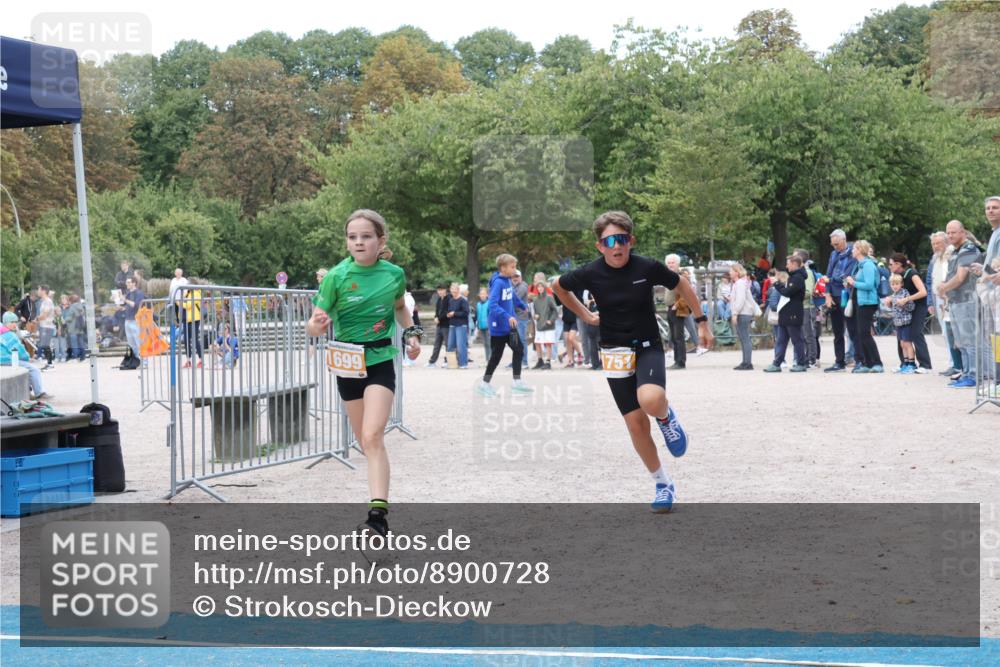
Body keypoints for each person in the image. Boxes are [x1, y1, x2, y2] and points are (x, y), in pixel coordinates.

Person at [554, 211, 713, 513]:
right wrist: (586, 315)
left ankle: (666, 418)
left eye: (622, 239)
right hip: (614, 352)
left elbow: (681, 284)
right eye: (609, 241)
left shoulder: (647, 267)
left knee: (651, 399)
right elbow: (559, 287)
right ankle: (662, 483)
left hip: (646, 346)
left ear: (631, 241)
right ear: (599, 245)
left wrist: (702, 321)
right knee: (636, 425)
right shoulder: (590, 272)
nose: (617, 246)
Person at [307, 209, 420, 538]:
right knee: (365, 443)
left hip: (381, 358)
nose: (359, 242)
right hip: (347, 363)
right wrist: (316, 324)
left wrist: (412, 334)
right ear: (347, 241)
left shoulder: (394, 274)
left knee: (373, 435)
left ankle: (377, 516)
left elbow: (400, 307)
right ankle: (377, 515)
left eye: (366, 236)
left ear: (380, 240)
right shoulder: (336, 277)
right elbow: (314, 323)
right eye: (353, 237)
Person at [476, 254, 532, 396]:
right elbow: (493, 305)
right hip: (499, 327)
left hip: (509, 326)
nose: (515, 269)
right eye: (512, 267)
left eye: (515, 266)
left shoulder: (507, 280)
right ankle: (484, 384)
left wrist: (521, 305)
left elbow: (511, 296)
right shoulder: (498, 283)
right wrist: (508, 316)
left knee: (519, 349)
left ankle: (517, 382)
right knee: (496, 356)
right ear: (503, 268)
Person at [936, 220, 981, 388]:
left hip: (967, 300)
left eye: (953, 232)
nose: (950, 235)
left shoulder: (968, 250)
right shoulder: (956, 251)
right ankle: (966, 372)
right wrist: (946, 292)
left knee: (969, 340)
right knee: (960, 341)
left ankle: (974, 375)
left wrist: (943, 288)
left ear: (963, 232)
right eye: (948, 232)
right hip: (956, 300)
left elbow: (961, 277)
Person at [843, 240, 884, 373]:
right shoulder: (860, 265)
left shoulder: (867, 265)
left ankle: (877, 363)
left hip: (868, 302)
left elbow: (869, 285)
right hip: (861, 302)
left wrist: (853, 282)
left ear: (860, 250)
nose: (852, 251)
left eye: (854, 248)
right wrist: (850, 283)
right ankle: (867, 363)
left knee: (865, 334)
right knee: (861, 334)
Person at [763, 255, 807, 373]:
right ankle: (777, 363)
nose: (786, 266)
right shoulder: (793, 276)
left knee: (797, 339)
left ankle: (802, 363)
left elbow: (787, 293)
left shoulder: (798, 278)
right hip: (785, 312)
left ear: (794, 264)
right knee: (781, 340)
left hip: (793, 313)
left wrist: (777, 284)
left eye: (788, 263)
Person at [887, 253, 929, 373]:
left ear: (898, 264)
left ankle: (925, 365)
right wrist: (891, 299)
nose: (889, 266)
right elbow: (899, 293)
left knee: (916, 334)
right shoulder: (898, 276)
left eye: (891, 264)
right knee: (901, 338)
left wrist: (906, 299)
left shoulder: (912, 274)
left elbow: (923, 292)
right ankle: (904, 363)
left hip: (918, 306)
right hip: (905, 309)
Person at [824, 229, 859, 372]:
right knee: (837, 332)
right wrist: (827, 294)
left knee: (852, 330)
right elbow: (828, 274)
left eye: (837, 244)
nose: (835, 247)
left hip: (847, 295)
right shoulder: (833, 254)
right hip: (834, 295)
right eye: (833, 245)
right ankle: (839, 362)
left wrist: (831, 279)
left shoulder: (853, 254)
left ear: (844, 240)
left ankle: (859, 360)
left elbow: (847, 275)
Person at [1, 312, 50, 399]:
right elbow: (19, 351)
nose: (14, 324)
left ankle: (28, 392)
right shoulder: (10, 335)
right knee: (34, 370)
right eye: (11, 322)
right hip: (7, 360)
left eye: (15, 322)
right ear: (5, 323)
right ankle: (39, 393)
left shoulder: (2, 332)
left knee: (25, 368)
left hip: (4, 359)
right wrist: (27, 358)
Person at [886, 274, 917, 373]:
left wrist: (904, 304)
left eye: (897, 284)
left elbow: (911, 307)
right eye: (892, 284)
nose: (894, 286)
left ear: (901, 284)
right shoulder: (893, 295)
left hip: (906, 321)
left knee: (907, 343)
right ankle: (905, 363)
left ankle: (912, 364)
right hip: (898, 322)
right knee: (902, 344)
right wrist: (889, 304)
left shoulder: (905, 293)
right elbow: (894, 308)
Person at [729, 263, 757, 370]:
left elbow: (740, 300)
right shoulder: (739, 283)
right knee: (743, 337)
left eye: (731, 271)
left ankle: (747, 363)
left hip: (743, 313)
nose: (730, 273)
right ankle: (745, 361)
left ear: (736, 272)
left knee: (745, 338)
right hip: (742, 312)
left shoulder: (740, 283)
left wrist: (735, 313)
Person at [531, 276, 557, 370]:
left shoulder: (549, 298)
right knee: (537, 343)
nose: (540, 288)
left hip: (548, 325)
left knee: (548, 343)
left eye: (541, 286)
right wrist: (535, 316)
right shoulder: (535, 300)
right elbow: (535, 313)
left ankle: (548, 362)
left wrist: (551, 320)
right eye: (538, 287)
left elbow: (555, 310)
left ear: (544, 287)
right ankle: (540, 360)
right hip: (539, 325)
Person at [120, 276, 145, 370]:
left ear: (134, 283)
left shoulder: (139, 293)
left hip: (136, 321)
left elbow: (136, 305)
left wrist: (125, 300)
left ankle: (144, 362)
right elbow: (127, 306)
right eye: (127, 282)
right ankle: (136, 361)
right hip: (128, 320)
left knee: (139, 342)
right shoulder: (128, 293)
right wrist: (121, 306)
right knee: (131, 343)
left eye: (129, 282)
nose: (127, 284)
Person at [445, 282, 470, 369]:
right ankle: (452, 363)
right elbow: (449, 310)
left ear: (458, 290)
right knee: (450, 345)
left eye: (455, 291)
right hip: (452, 325)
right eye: (452, 291)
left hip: (461, 325)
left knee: (461, 345)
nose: (453, 292)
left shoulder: (463, 300)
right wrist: (448, 314)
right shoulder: (451, 300)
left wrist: (454, 313)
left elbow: (466, 312)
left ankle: (463, 363)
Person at [425, 283, 450, 368]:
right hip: (439, 325)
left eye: (441, 290)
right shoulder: (439, 299)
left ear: (445, 290)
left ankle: (447, 361)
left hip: (446, 325)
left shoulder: (449, 299)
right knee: (437, 344)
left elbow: (447, 312)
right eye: (438, 290)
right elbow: (437, 311)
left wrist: (439, 319)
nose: (439, 292)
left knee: (447, 344)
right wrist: (435, 317)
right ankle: (432, 362)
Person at [35, 285, 56, 370]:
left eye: (39, 289)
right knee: (45, 345)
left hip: (47, 326)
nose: (38, 291)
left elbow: (44, 315)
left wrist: (36, 318)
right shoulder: (44, 301)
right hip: (44, 325)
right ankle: (49, 363)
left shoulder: (47, 301)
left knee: (46, 345)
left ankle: (50, 364)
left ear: (43, 291)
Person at [475, 286, 491, 364]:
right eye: (481, 294)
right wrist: (477, 327)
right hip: (481, 326)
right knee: (485, 343)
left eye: (484, 294)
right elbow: (478, 315)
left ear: (487, 295)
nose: (482, 295)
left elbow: (491, 315)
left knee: (489, 343)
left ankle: (491, 359)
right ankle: (487, 359)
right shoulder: (478, 304)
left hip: (488, 326)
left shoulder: (489, 303)